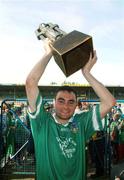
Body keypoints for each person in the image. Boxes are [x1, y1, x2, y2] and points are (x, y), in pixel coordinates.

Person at [25, 39, 116, 180]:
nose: (66, 106)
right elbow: (31, 82)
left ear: (76, 105)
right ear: (54, 103)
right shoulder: (42, 122)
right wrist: (49, 53)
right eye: (61, 101)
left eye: (71, 102)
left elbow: (110, 102)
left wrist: (86, 73)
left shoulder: (81, 123)